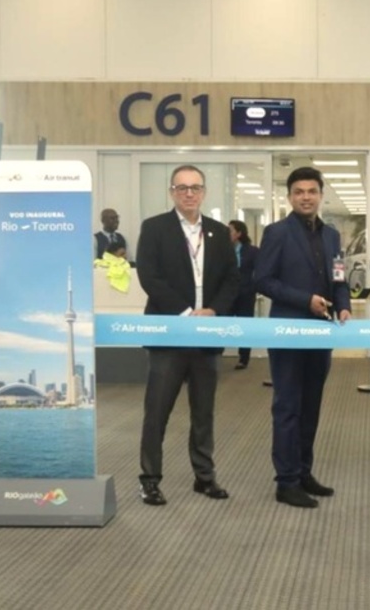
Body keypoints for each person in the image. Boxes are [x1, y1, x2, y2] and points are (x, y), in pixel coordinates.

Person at [134, 165, 239, 506]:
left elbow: (231, 280)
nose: (189, 193)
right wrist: (184, 313)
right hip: (169, 332)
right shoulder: (154, 228)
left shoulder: (219, 233)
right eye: (182, 188)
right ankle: (150, 480)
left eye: (195, 188)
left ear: (204, 192)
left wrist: (212, 311)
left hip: (206, 334)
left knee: (203, 411)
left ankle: (204, 477)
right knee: (157, 410)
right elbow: (149, 276)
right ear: (172, 192)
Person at [254, 166, 351, 509]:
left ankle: (304, 472)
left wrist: (343, 306)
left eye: (312, 191)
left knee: (311, 406)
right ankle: (286, 481)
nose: (306, 197)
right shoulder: (276, 233)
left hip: (321, 332)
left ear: (321, 195)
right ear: (290, 197)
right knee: (287, 406)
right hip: (287, 330)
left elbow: (338, 278)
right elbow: (263, 280)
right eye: (299, 192)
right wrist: (304, 300)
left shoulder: (332, 235)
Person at [228, 220, 259, 370]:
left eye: (230, 231)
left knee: (245, 325)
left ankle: (243, 358)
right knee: (221, 323)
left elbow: (260, 270)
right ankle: (214, 353)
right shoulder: (223, 250)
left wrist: (254, 286)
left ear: (239, 233)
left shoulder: (252, 251)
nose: (227, 234)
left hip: (246, 293)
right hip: (227, 294)